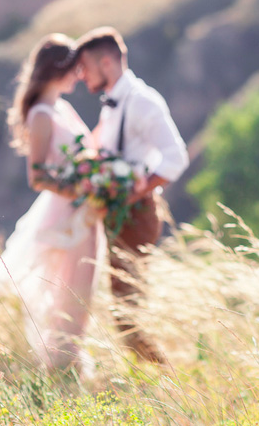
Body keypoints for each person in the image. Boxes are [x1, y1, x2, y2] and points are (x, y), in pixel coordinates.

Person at [0, 33, 105, 372]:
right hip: (64, 212)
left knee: (83, 285)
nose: (80, 76)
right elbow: (37, 176)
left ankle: (67, 363)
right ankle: (59, 365)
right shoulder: (41, 115)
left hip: (86, 209)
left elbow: (88, 152)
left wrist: (102, 173)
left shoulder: (63, 108)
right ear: (57, 70)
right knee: (63, 287)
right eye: (74, 69)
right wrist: (79, 190)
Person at [75, 26, 189, 364]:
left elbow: (176, 156)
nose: (81, 76)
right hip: (114, 216)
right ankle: (154, 378)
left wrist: (137, 190)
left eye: (85, 67)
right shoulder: (112, 104)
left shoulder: (143, 101)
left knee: (127, 314)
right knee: (123, 309)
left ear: (107, 63)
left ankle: (166, 380)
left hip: (136, 216)